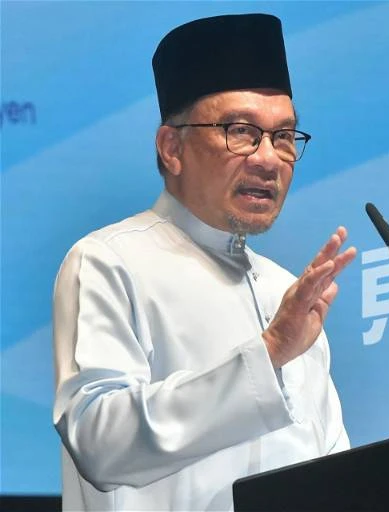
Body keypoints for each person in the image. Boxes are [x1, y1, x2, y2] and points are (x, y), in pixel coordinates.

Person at [51, 14, 356, 511]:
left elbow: (335, 472)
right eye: (241, 131)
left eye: (284, 136)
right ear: (171, 148)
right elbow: (100, 443)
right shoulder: (109, 262)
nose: (268, 159)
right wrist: (268, 355)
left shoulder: (288, 292)